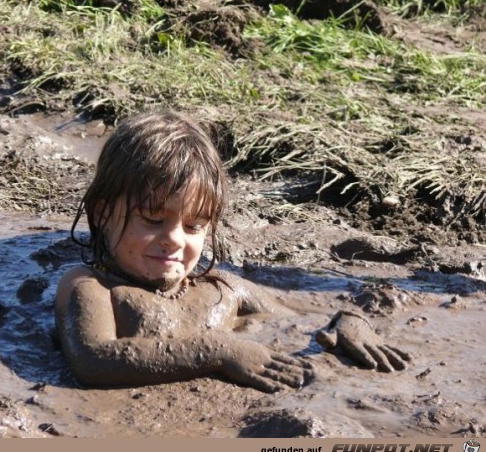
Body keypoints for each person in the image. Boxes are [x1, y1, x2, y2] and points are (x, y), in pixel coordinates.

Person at [55, 111, 410, 393]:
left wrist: (352, 323)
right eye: (152, 219)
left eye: (194, 226)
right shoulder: (90, 287)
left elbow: (300, 318)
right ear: (102, 212)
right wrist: (219, 351)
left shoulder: (224, 289)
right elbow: (93, 359)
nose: (175, 239)